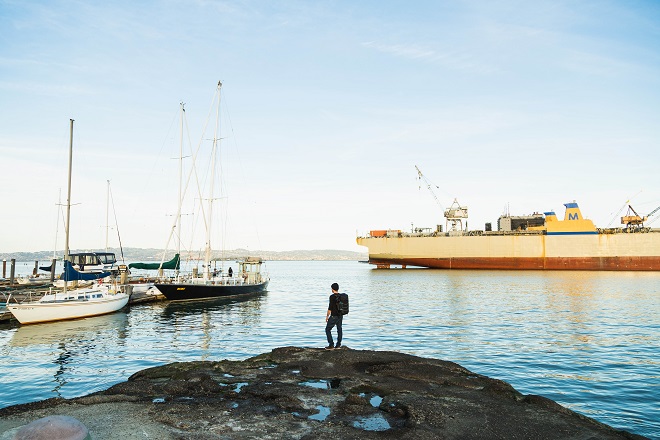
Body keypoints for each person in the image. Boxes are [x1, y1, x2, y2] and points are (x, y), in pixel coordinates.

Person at [325, 282, 343, 349]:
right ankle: (338, 345)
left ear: (332, 289)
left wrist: (327, 316)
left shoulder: (332, 297)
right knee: (339, 329)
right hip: (340, 315)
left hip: (334, 316)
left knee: (327, 329)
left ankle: (331, 345)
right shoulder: (341, 296)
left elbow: (330, 308)